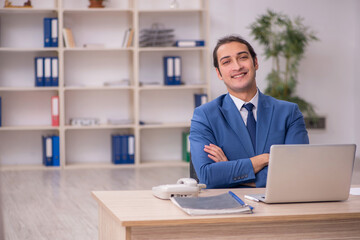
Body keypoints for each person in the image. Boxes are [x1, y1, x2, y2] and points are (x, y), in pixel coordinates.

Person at [189, 35, 309, 188]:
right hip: (229, 206)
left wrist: (230, 172)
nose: (237, 66)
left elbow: (298, 171)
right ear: (219, 73)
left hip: (279, 206)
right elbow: (208, 176)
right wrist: (264, 159)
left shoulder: (289, 112)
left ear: (255, 62)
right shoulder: (204, 116)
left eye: (243, 57)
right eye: (226, 62)